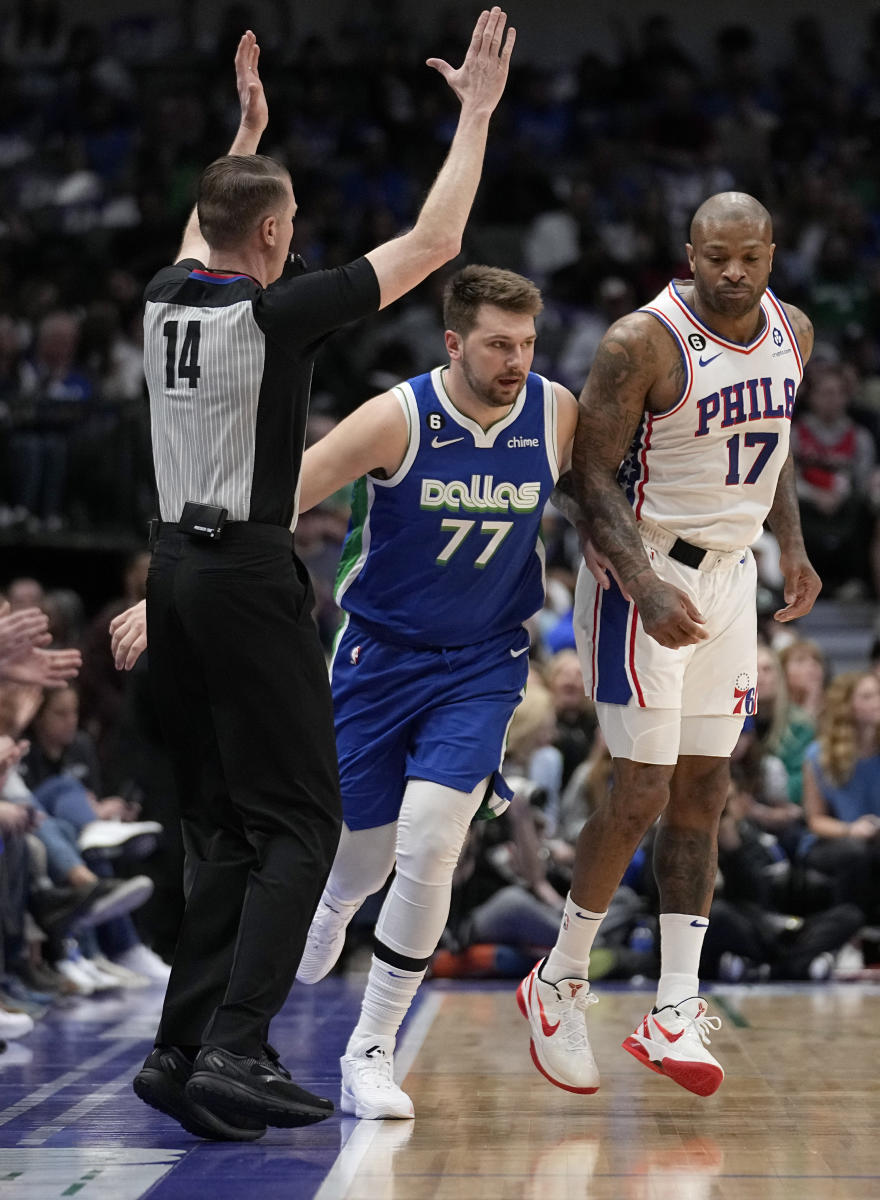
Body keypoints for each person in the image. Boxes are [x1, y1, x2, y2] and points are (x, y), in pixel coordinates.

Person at [125, 16, 517, 1142]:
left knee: (223, 830)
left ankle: (180, 1046)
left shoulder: (162, 296)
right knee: (304, 817)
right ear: (278, 234)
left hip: (169, 572)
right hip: (247, 572)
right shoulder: (275, 309)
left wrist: (249, 133)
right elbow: (438, 239)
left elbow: (210, 223)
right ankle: (240, 1049)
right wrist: (476, 113)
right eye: (287, 229)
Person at [111, 264, 597, 1117]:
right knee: (362, 854)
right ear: (454, 343)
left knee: (435, 836)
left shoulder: (556, 413)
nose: (517, 359)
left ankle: (370, 1051)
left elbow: (605, 501)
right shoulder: (398, 417)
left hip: (482, 662)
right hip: (377, 658)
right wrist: (172, 594)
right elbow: (269, 499)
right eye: (497, 344)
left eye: (527, 343)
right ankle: (338, 900)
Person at [518, 191, 821, 1099]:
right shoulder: (639, 342)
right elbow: (584, 478)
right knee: (642, 785)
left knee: (707, 788)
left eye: (750, 257)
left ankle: (674, 1009)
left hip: (734, 574)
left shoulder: (794, 330)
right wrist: (645, 587)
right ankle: (560, 975)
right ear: (689, 252)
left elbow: (774, 446)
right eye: (715, 256)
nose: (733, 272)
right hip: (639, 567)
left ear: (772, 253)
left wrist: (794, 547)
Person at [801, 671, 880, 977]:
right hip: (836, 838)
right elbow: (815, 820)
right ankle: (848, 943)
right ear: (847, 706)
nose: (877, 703)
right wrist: (851, 829)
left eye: (879, 696)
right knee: (854, 852)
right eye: (867, 696)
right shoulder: (819, 756)